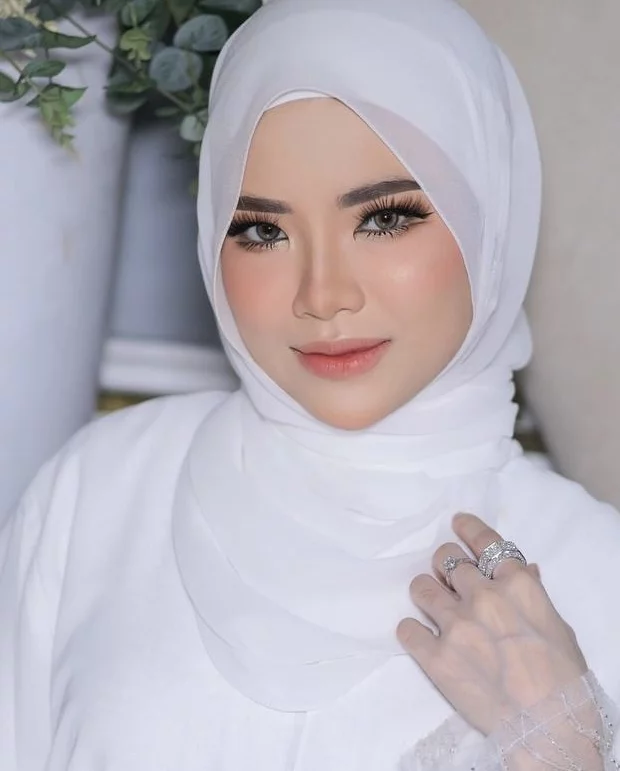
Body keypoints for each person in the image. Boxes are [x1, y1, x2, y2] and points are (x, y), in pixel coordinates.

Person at [1, 0, 619, 769]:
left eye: (384, 218)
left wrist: (565, 746)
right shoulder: (101, 491)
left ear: (491, 215)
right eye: (263, 230)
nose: (323, 295)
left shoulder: (595, 570)